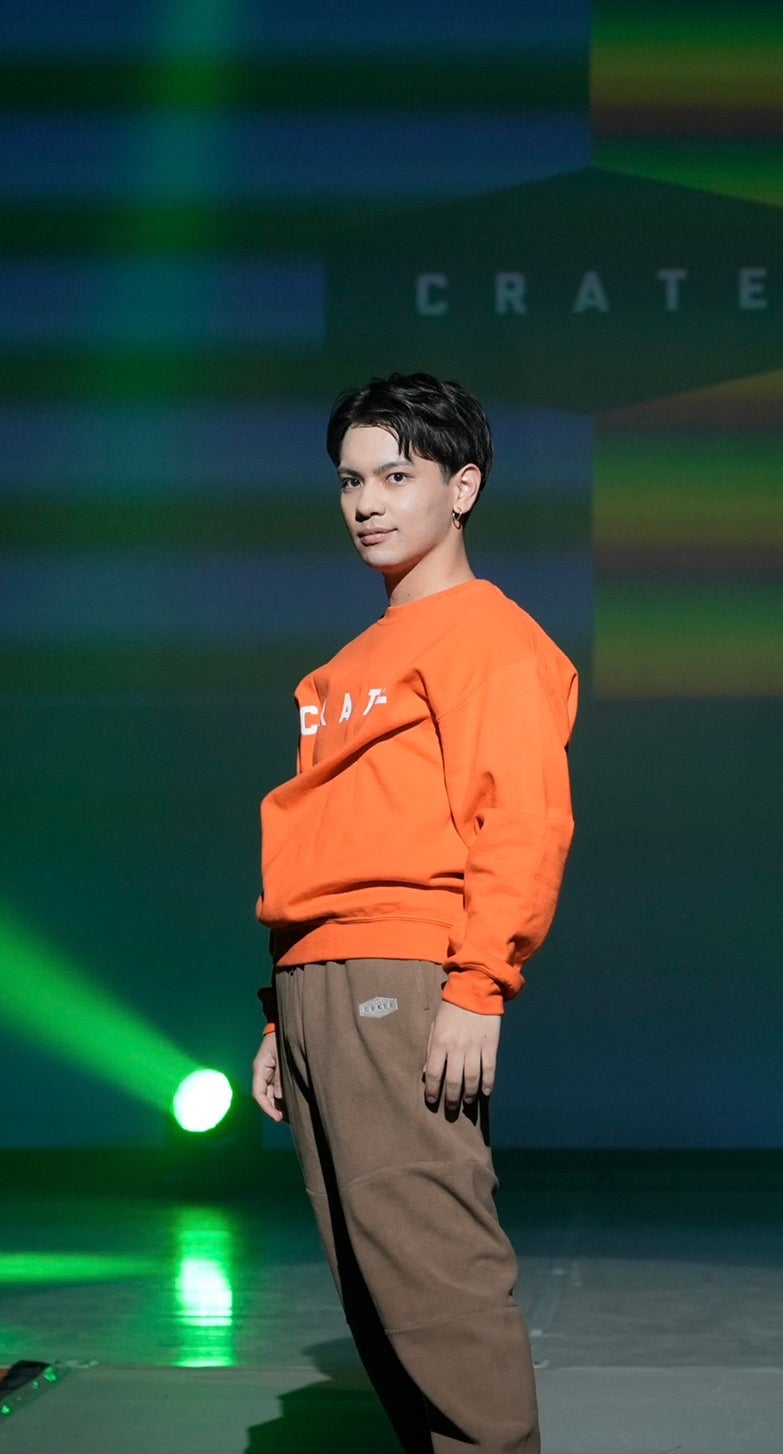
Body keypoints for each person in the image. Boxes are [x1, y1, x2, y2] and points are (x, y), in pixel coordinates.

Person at [252, 372, 578, 1453]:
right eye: (350, 481)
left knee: (434, 1274)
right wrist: (280, 1014)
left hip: (403, 973)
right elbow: (331, 836)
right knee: (373, 1286)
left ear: (462, 486)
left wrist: (479, 985)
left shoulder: (487, 636)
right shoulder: (348, 663)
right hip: (316, 982)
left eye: (396, 476)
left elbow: (521, 820)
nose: (366, 503)